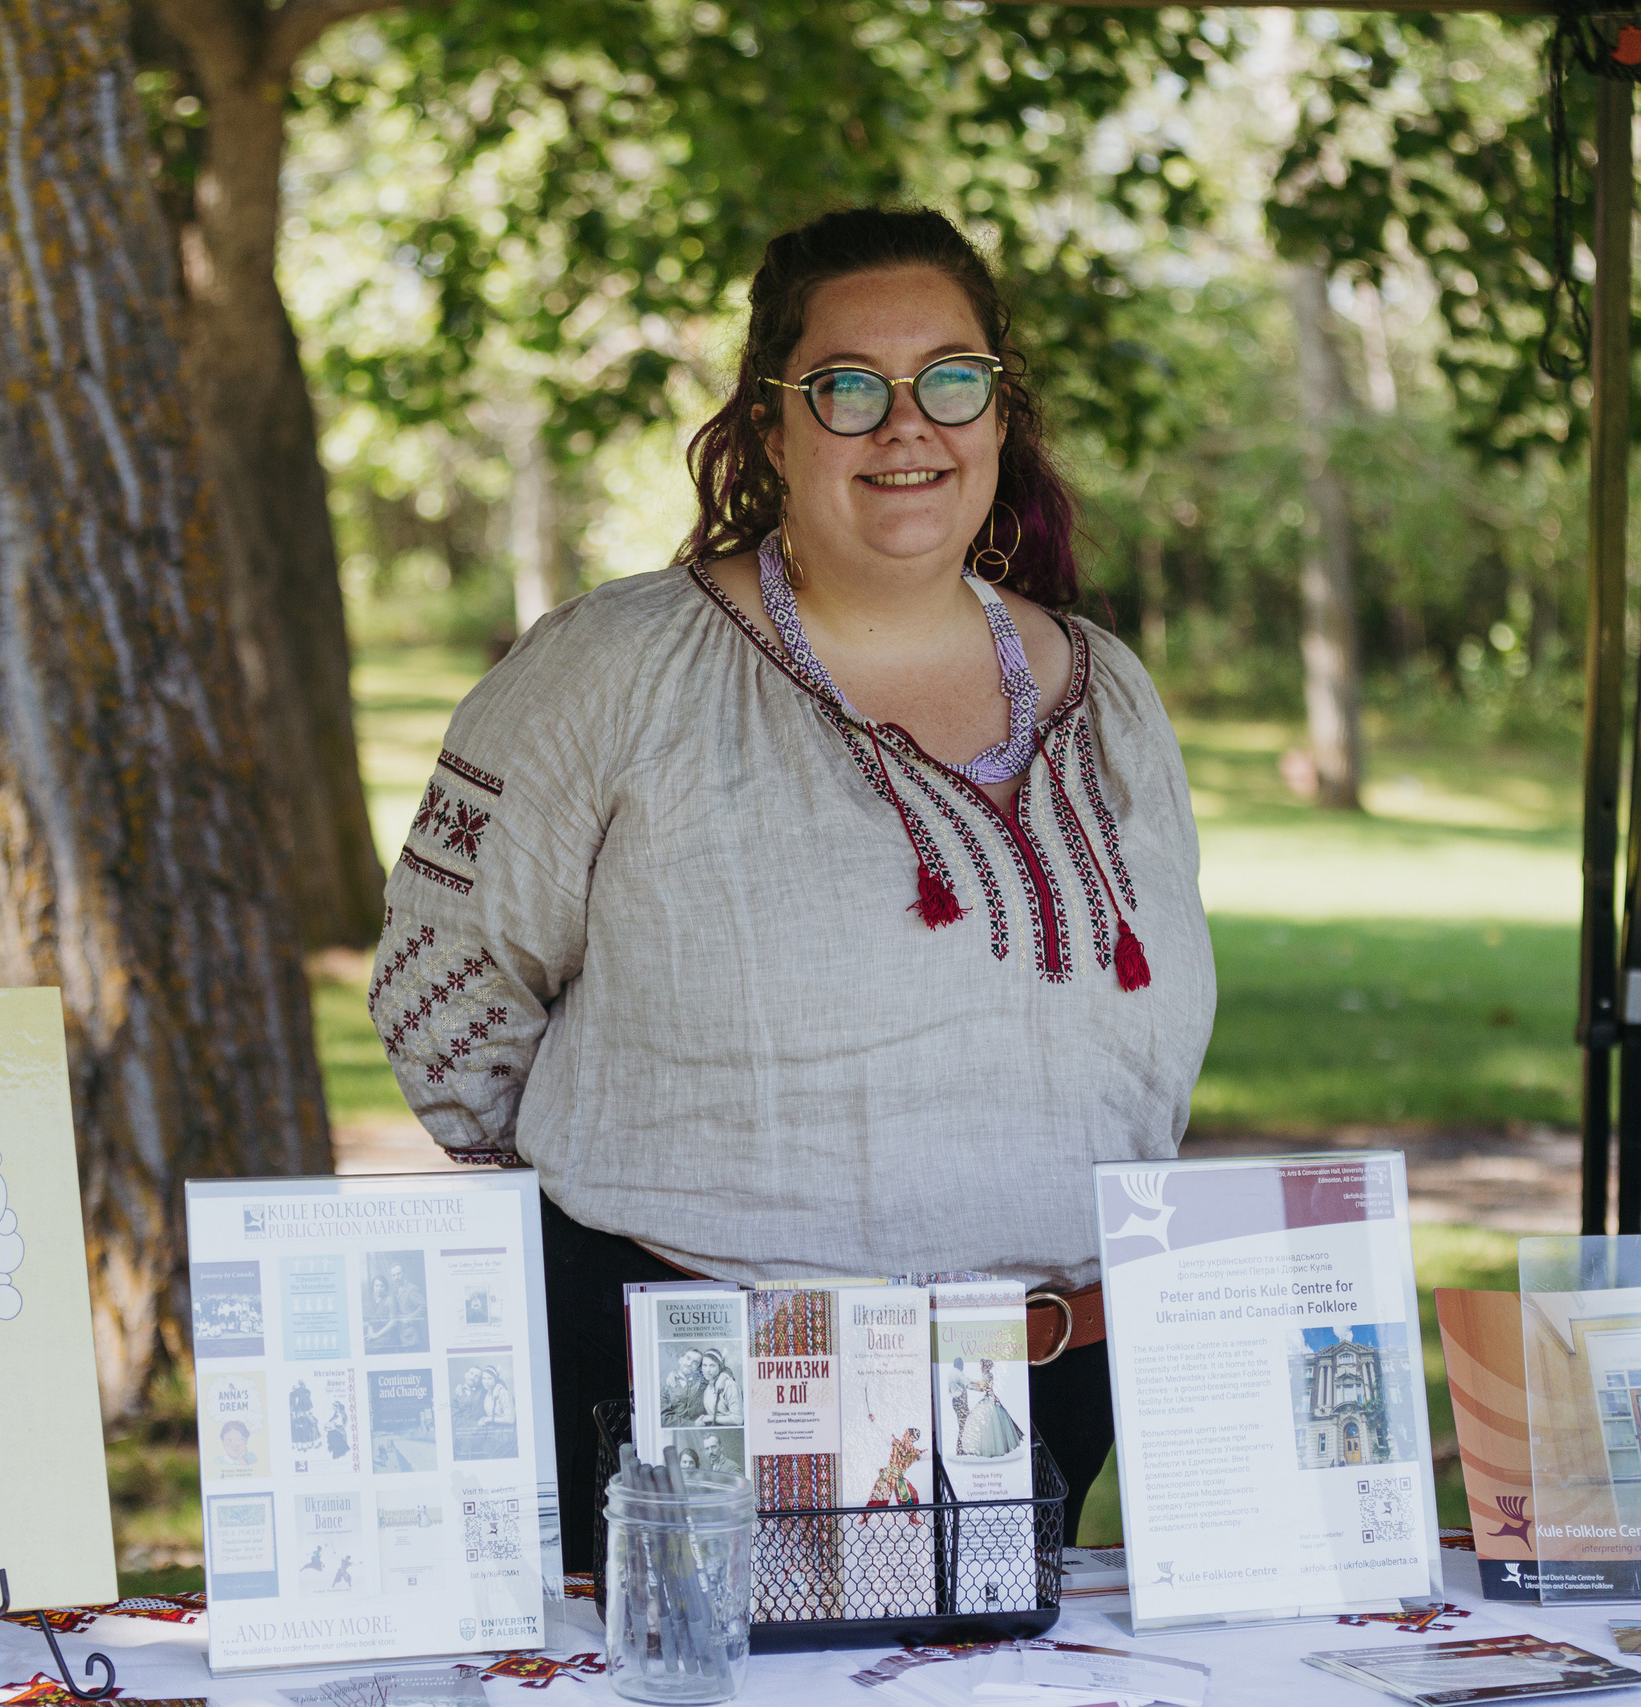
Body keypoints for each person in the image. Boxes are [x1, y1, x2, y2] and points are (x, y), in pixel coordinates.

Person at [367, 206, 1215, 1565]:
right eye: (846, 388)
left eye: (950, 378)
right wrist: (625, 1217)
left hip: (1047, 1392)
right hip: (702, 1399)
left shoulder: (1110, 692)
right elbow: (443, 985)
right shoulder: (614, 669)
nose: (906, 426)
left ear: (1000, 413)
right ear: (771, 428)